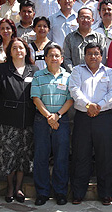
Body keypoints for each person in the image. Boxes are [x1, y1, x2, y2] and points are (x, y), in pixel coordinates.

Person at [0, 37, 39, 203]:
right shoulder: (2, 69)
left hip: (28, 120)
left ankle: (19, 188)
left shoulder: (34, 70)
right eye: (15, 48)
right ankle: (10, 187)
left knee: (24, 156)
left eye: (21, 48)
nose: (18, 51)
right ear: (10, 52)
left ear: (26, 51)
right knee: (8, 156)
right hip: (6, 120)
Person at [69, 42, 112, 205]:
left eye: (96, 53)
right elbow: (74, 89)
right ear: (84, 56)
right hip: (83, 117)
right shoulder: (77, 71)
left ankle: (105, 193)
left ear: (101, 55)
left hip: (103, 117)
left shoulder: (109, 72)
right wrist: (88, 105)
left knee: (105, 156)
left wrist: (100, 105)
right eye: (89, 53)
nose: (93, 56)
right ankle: (78, 192)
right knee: (80, 155)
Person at [30, 44, 73, 206]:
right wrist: (49, 116)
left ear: (62, 59)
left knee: (61, 157)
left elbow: (70, 99)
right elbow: (35, 98)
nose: (54, 58)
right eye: (51, 55)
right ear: (45, 58)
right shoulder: (38, 76)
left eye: (57, 56)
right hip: (42, 120)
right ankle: (42, 192)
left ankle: (60, 192)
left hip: (61, 120)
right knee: (41, 156)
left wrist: (57, 115)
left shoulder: (68, 77)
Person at [63, 7, 107, 73]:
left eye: (88, 18)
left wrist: (93, 73)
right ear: (77, 20)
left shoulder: (100, 38)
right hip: (74, 76)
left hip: (94, 76)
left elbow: (102, 58)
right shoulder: (69, 38)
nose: (85, 20)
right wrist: (74, 73)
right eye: (82, 18)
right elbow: (66, 59)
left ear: (92, 21)